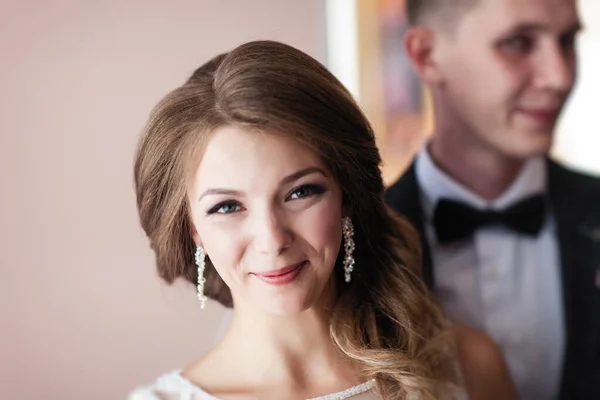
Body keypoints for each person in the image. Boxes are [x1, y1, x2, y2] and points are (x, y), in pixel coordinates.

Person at [128, 41, 515, 399]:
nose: (272, 239)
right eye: (227, 207)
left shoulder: (465, 368)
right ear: (193, 229)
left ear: (346, 196)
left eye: (300, 192)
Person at [384, 0, 600, 399]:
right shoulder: (359, 245)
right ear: (426, 55)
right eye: (517, 42)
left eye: (567, 40)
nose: (560, 76)